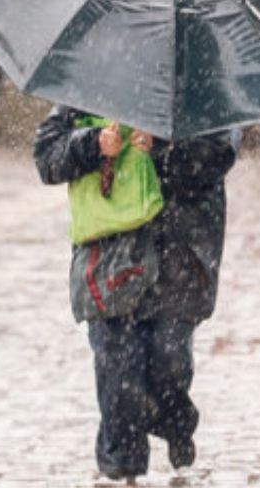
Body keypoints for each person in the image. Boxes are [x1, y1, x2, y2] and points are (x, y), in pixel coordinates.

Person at [33, 107, 237, 483]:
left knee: (169, 361)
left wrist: (162, 149)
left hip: (179, 253)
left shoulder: (200, 86)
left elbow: (219, 154)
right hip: (110, 255)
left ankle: (175, 420)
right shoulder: (92, 83)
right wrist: (93, 145)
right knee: (117, 367)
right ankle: (122, 469)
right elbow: (47, 157)